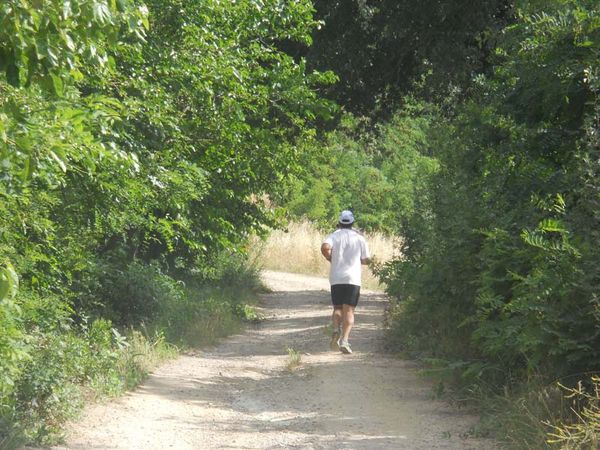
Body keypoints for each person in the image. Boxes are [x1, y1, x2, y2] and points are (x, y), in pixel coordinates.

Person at [321, 210, 371, 354]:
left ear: (340, 222)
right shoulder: (359, 238)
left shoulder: (334, 235)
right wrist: (361, 261)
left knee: (337, 308)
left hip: (336, 278)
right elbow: (367, 259)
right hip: (353, 279)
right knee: (349, 310)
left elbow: (325, 247)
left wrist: (330, 258)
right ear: (352, 222)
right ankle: (344, 340)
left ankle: (336, 329)